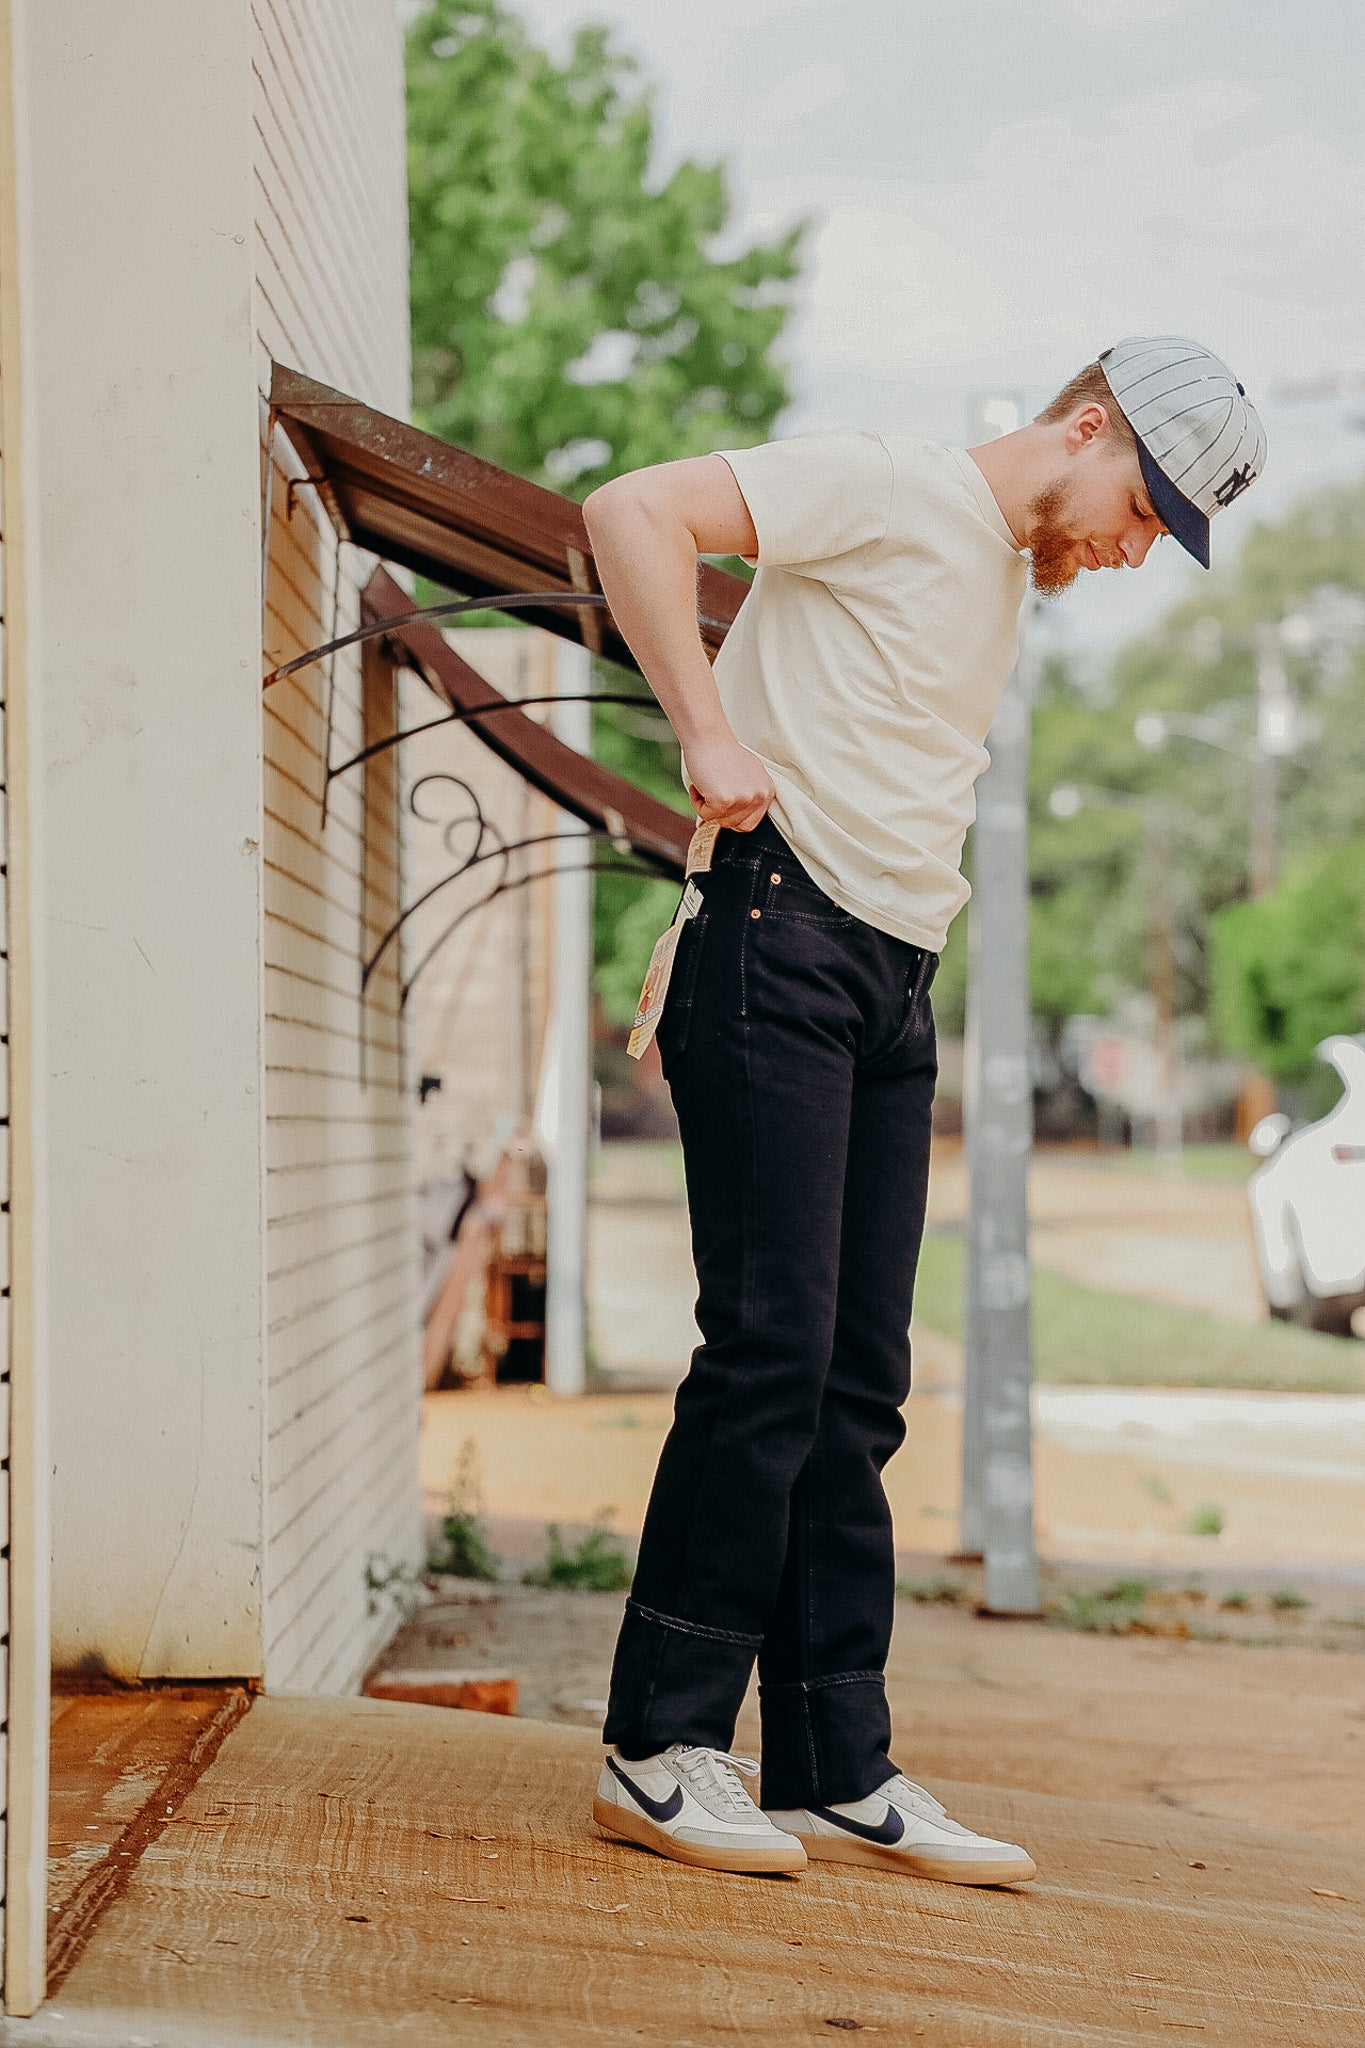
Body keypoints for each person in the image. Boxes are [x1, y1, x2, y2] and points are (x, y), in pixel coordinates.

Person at [582, 338, 1265, 1882]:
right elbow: (629, 508)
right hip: (773, 932)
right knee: (769, 1346)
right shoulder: (889, 487)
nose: (1135, 540)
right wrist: (702, 728)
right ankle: (657, 1739)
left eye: (1161, 528)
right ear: (1085, 426)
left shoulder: (998, 580)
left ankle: (833, 1761)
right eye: (1143, 503)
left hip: (888, 976)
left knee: (856, 1382)